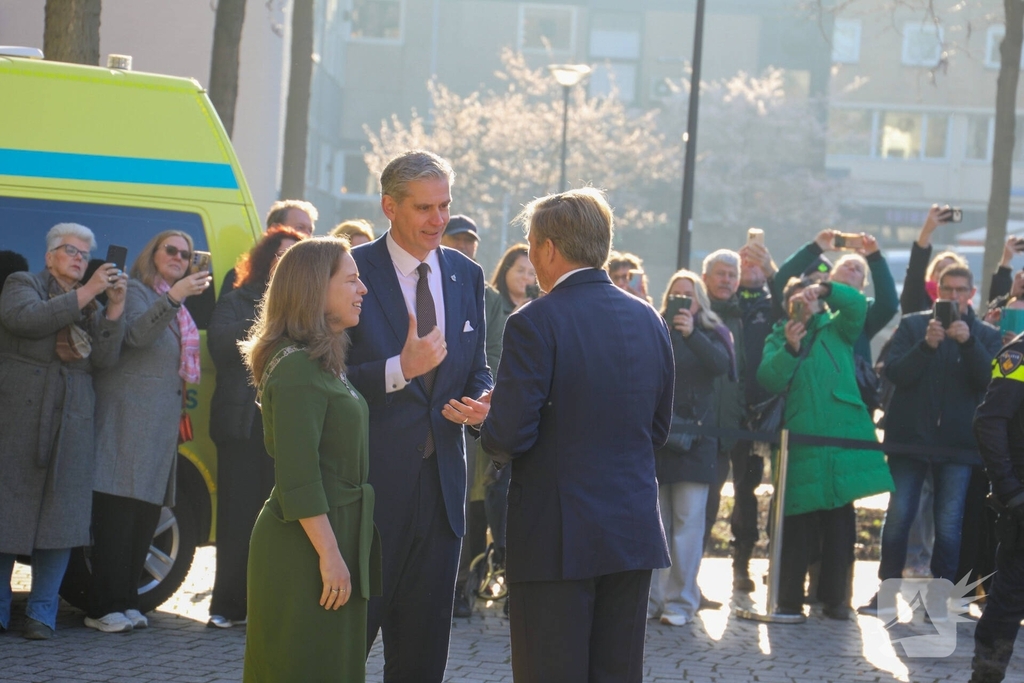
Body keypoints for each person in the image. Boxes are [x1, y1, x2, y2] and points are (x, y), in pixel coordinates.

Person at [480, 187, 673, 683]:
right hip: (630, 527)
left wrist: (488, 419)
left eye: (530, 245)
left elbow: (508, 436)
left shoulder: (534, 320)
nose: (530, 258)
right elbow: (658, 428)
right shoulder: (648, 318)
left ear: (548, 248)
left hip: (555, 534)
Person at [347, 150, 491, 682]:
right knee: (344, 650)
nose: (439, 220)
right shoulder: (349, 270)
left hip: (443, 495)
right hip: (368, 492)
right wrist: (398, 369)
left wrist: (482, 401)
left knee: (422, 662)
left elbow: (477, 367)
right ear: (390, 207)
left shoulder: (466, 274)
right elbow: (326, 378)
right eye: (425, 208)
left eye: (445, 205)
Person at [239, 236, 379, 681]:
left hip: (332, 535)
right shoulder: (297, 368)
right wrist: (331, 555)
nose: (363, 289)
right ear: (315, 288)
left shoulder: (319, 361)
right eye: (351, 280)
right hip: (307, 545)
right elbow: (299, 475)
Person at [0, 224, 127, 640]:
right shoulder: (23, 283)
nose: (79, 259)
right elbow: (25, 320)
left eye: (85, 254)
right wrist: (90, 291)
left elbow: (104, 360)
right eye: (71, 250)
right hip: (19, 418)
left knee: (61, 521)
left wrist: (114, 308)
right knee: (6, 516)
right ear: (50, 255)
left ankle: (42, 614)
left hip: (72, 420)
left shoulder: (90, 303)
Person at [86, 230, 212, 633]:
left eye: (185, 254)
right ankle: (102, 608)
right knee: (116, 520)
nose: (178, 257)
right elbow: (137, 335)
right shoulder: (139, 292)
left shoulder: (179, 305)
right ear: (152, 254)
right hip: (126, 425)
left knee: (142, 521)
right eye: (170, 250)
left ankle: (126, 602)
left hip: (157, 432)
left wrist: (177, 299)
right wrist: (174, 297)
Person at [860, 265, 1002, 619]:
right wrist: (926, 346)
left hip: (958, 445)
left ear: (971, 294)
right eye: (947, 289)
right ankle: (886, 593)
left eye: (960, 290)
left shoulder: (985, 334)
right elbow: (895, 373)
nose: (953, 296)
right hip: (910, 440)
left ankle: (939, 599)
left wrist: (968, 343)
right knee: (899, 517)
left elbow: (990, 382)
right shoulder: (913, 325)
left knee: (949, 524)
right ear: (937, 291)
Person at [758, 277, 894, 618]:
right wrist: (790, 348)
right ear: (787, 305)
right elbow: (768, 379)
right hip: (800, 444)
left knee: (839, 526)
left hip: (838, 443)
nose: (803, 304)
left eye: (808, 298)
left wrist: (827, 288)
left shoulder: (838, 330)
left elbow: (857, 305)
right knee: (796, 526)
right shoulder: (778, 337)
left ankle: (836, 601)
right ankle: (789, 600)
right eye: (796, 299)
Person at [205, 226, 306, 629]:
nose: (285, 262)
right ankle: (226, 606)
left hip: (288, 428)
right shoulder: (236, 299)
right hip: (242, 427)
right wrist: (271, 317)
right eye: (281, 254)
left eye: (294, 256)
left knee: (280, 522)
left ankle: (266, 610)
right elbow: (220, 345)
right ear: (265, 259)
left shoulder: (309, 307)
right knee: (236, 518)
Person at [457, 243, 537, 617]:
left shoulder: (542, 308)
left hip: (518, 417)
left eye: (531, 271)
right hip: (487, 412)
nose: (527, 277)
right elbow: (487, 355)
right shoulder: (492, 304)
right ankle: (466, 585)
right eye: (520, 269)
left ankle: (508, 580)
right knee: (478, 499)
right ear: (505, 270)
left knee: (505, 503)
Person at [649, 270, 732, 627]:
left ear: (700, 300)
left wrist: (691, 333)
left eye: (688, 295)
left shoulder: (713, 332)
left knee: (687, 525)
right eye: (675, 295)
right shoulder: (654, 328)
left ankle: (681, 602)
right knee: (655, 526)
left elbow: (721, 365)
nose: (681, 301)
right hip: (659, 440)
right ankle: (652, 600)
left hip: (696, 443)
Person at [970, 334, 1024, 683]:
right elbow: (988, 421)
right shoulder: (1019, 355)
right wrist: (1011, 491)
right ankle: (987, 675)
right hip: (1021, 498)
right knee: (1009, 599)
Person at [731, 239, 778, 591]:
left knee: (770, 487)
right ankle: (740, 562)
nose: (750, 266)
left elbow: (788, 303)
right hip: (730, 412)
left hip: (768, 411)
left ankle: (770, 559)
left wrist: (772, 268)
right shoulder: (723, 302)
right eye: (744, 261)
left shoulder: (773, 303)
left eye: (756, 262)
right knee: (738, 489)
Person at [701, 249, 745, 608]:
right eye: (720, 273)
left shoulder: (742, 319)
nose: (726, 280)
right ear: (705, 278)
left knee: (708, 510)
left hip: (725, 434)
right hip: (692, 432)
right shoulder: (693, 314)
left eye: (732, 274)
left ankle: (689, 584)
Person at [221, 199, 318, 292]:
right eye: (300, 227)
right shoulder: (240, 278)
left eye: (310, 230)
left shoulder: (314, 281)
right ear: (275, 228)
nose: (307, 235)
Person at [900, 204, 967, 315]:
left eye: (950, 270)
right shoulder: (919, 302)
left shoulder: (968, 313)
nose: (944, 274)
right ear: (931, 275)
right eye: (940, 269)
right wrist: (927, 230)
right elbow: (915, 274)